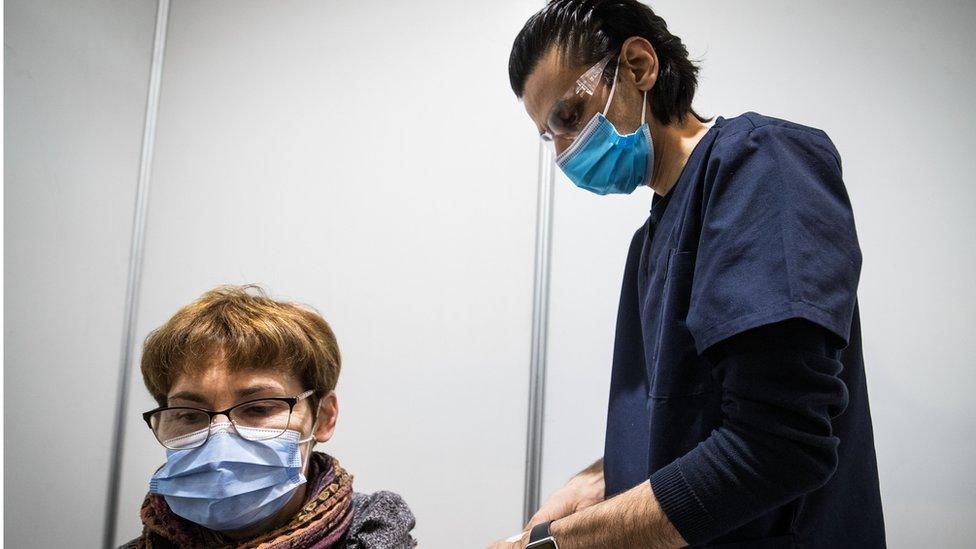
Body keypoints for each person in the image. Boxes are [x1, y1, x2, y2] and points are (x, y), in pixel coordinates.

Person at [490, 1, 885, 548]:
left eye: (569, 116)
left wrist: (562, 544)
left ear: (637, 66)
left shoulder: (758, 165)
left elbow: (776, 447)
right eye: (548, 136)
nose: (563, 152)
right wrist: (597, 483)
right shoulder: (648, 247)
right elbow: (690, 427)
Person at [122, 285, 416, 548]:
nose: (219, 440)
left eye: (258, 408)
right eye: (189, 415)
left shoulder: (376, 536)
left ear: (324, 417)